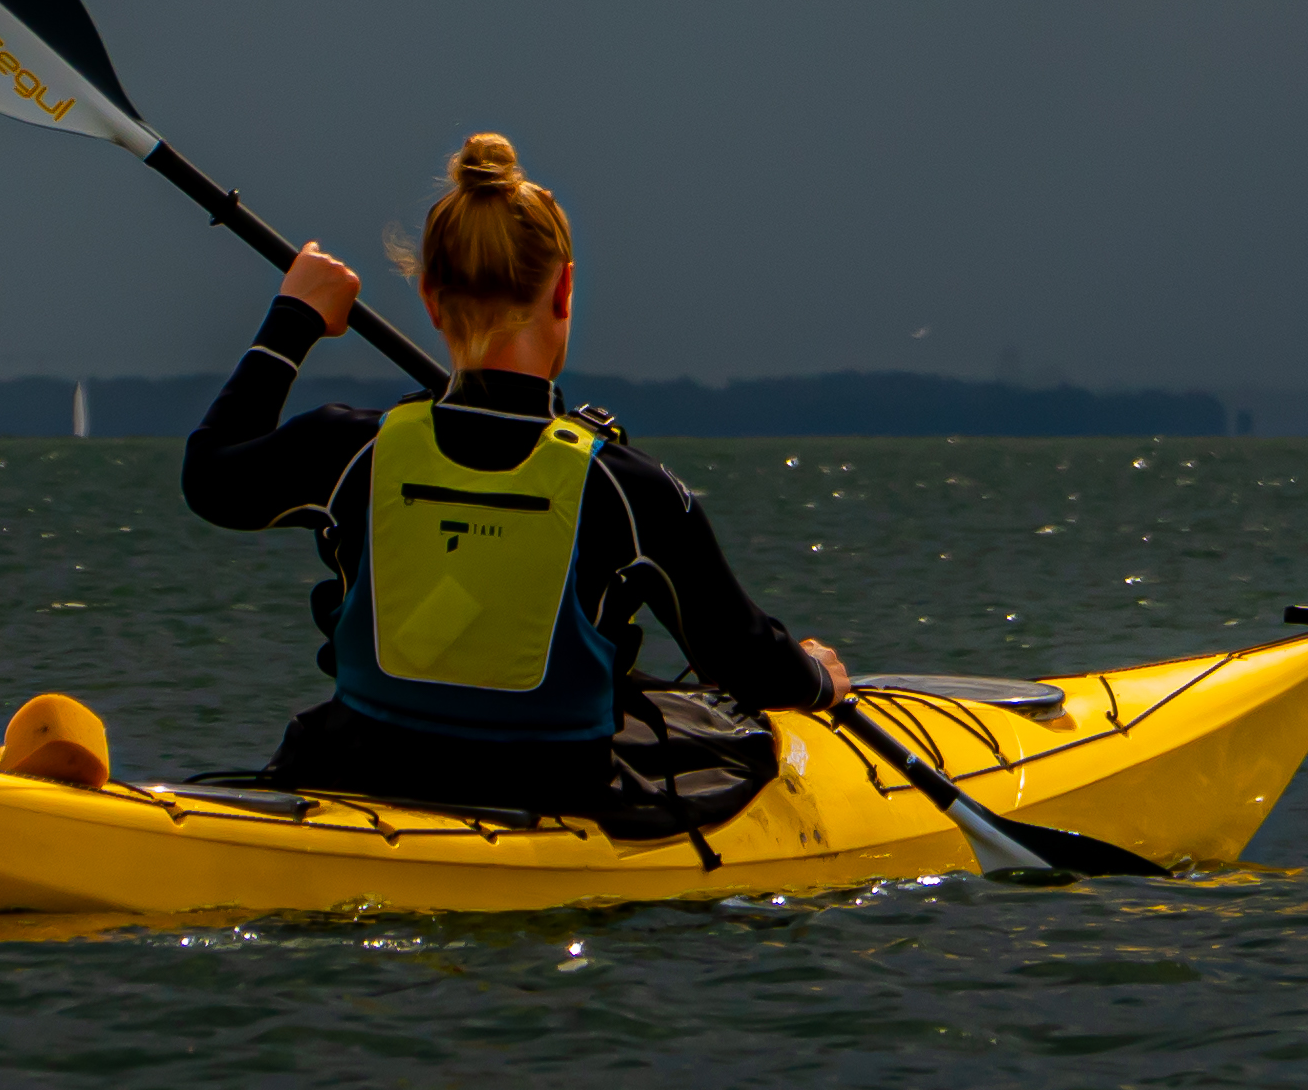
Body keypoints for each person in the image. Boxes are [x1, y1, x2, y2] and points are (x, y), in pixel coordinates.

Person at [182, 129, 848, 815]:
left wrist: (292, 320)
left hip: (358, 765)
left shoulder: (351, 451)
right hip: (552, 787)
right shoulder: (627, 489)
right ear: (563, 289)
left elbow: (209, 476)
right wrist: (816, 680)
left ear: (430, 299)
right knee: (714, 726)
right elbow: (743, 664)